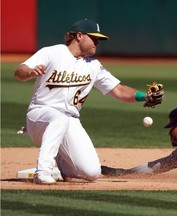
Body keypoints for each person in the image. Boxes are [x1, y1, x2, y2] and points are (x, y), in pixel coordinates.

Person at [14, 19, 164, 184]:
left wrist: (145, 96)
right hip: (40, 116)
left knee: (92, 172)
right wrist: (30, 72)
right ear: (79, 36)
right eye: (94, 38)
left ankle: (60, 164)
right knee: (59, 119)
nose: (97, 43)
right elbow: (20, 71)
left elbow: (119, 90)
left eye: (99, 40)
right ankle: (42, 171)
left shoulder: (93, 65)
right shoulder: (52, 52)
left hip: (69, 121)